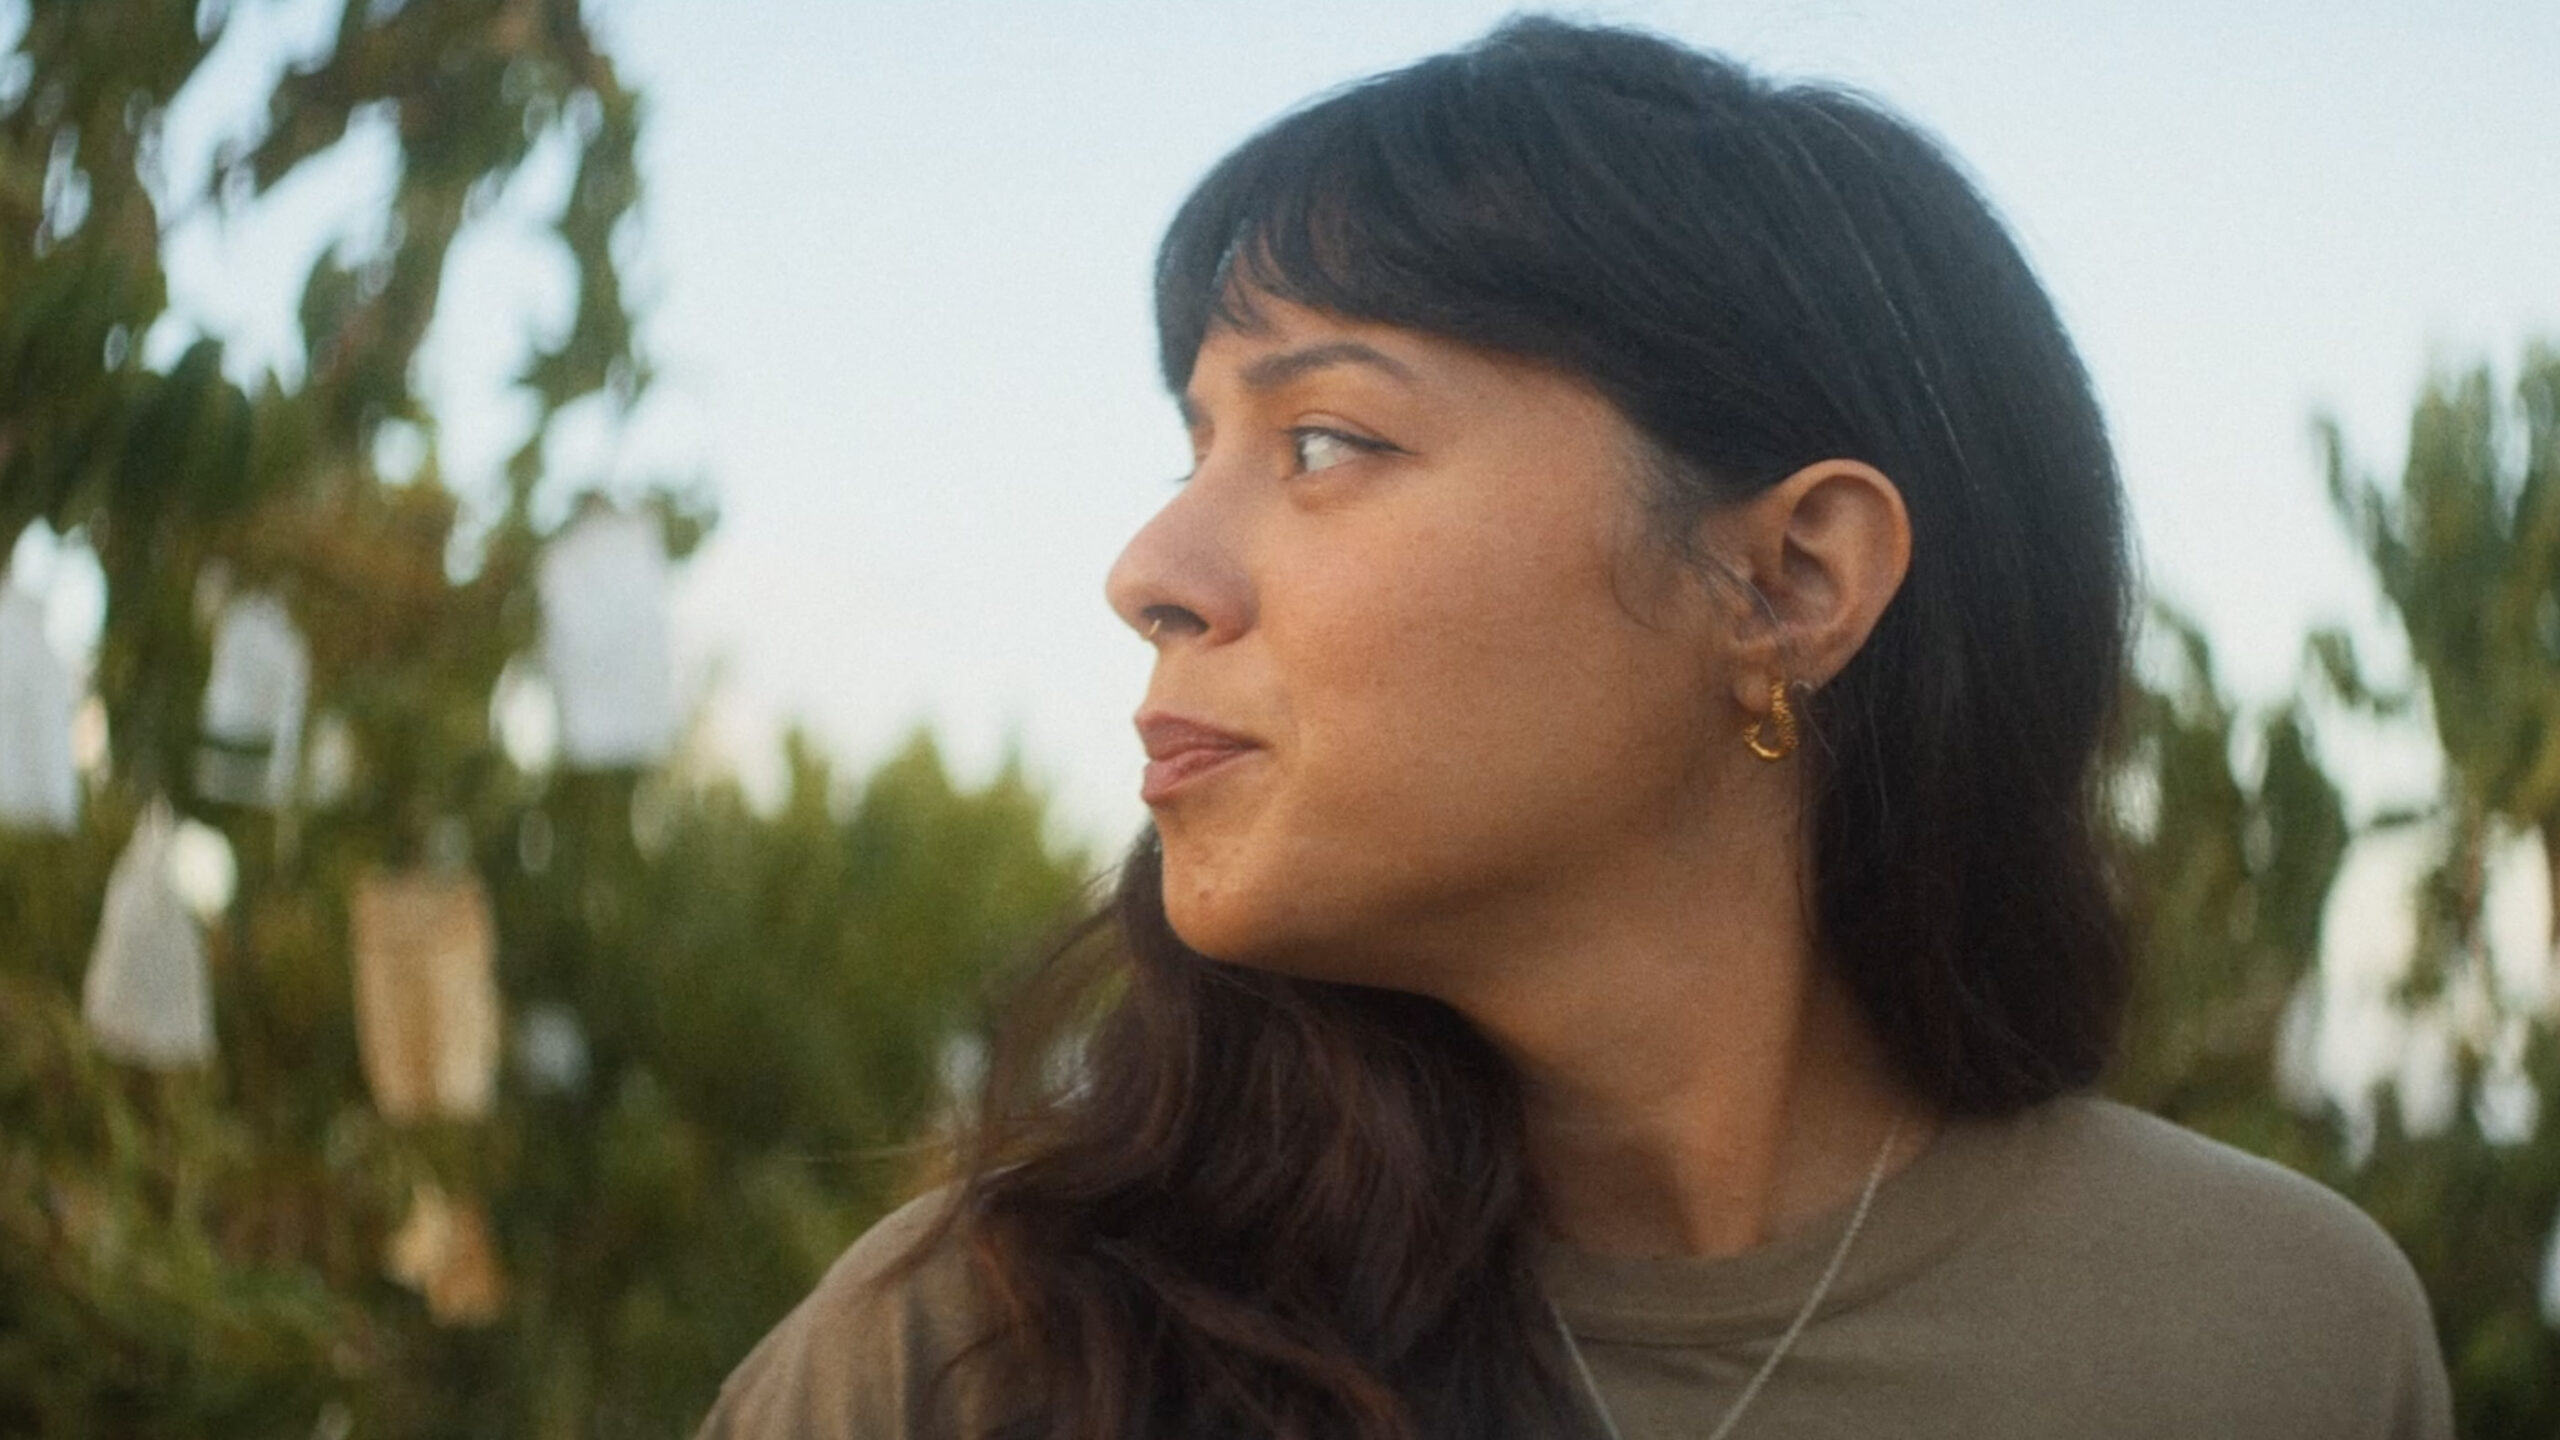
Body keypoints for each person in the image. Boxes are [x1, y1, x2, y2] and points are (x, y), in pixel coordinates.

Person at [697, 17, 2452, 1440]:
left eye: (1324, 443)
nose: (1149, 572)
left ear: (1787, 582)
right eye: (1195, 446)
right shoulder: (978, 1363)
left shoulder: (2273, 1342)